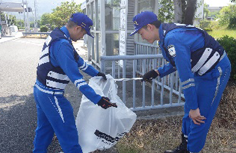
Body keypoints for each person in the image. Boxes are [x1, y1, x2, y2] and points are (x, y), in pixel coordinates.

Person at [130, 11, 231, 153]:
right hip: (201, 69)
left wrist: (194, 108)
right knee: (189, 112)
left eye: (141, 33)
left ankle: (192, 150)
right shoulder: (164, 36)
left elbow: (186, 77)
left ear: (150, 27)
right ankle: (184, 147)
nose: (141, 37)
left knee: (199, 116)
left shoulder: (172, 39)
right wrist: (158, 72)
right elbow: (178, 61)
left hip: (215, 71)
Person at [33, 12, 117, 153]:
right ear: (78, 28)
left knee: (44, 129)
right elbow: (77, 80)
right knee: (68, 133)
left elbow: (81, 63)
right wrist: (99, 100)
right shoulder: (63, 45)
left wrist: (98, 74)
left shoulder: (59, 34)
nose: (83, 37)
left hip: (40, 90)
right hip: (52, 95)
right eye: (84, 33)